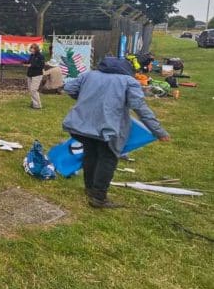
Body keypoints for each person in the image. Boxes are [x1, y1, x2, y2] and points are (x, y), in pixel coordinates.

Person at [62, 56, 171, 209]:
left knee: (90, 155)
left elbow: (69, 88)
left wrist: (86, 97)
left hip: (82, 126)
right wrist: (159, 131)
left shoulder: (89, 75)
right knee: (107, 159)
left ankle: (90, 188)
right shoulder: (128, 81)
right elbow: (140, 108)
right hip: (108, 128)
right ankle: (98, 197)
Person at [23, 43, 45, 109]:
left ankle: (38, 105)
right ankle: (34, 103)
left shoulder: (40, 56)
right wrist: (24, 63)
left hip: (37, 75)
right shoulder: (32, 55)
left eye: (33, 48)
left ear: (36, 49)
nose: (31, 49)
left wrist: (31, 65)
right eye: (31, 48)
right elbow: (29, 62)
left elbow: (41, 66)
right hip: (30, 74)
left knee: (33, 90)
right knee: (30, 90)